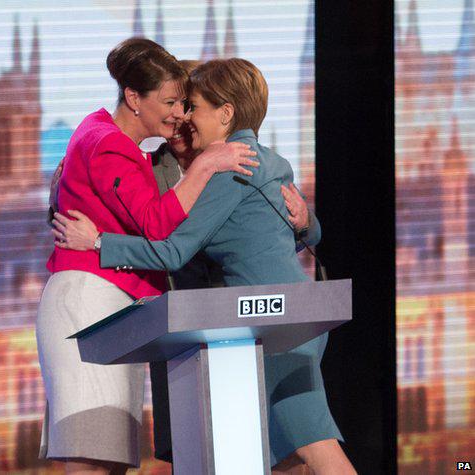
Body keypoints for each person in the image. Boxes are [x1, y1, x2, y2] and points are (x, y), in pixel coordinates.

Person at [52, 58, 356, 474]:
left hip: (260, 327)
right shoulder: (174, 164)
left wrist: (306, 220)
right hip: (202, 337)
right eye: (178, 106)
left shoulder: (231, 166)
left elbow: (174, 248)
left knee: (305, 446)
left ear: (224, 112)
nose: (184, 119)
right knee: (276, 447)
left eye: (191, 107)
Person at [37, 38, 258, 473]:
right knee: (92, 458)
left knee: (110, 459)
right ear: (134, 98)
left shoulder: (109, 138)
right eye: (171, 101)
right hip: (88, 310)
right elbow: (157, 223)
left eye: (184, 103)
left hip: (114, 312)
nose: (179, 113)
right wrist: (207, 164)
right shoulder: (109, 143)